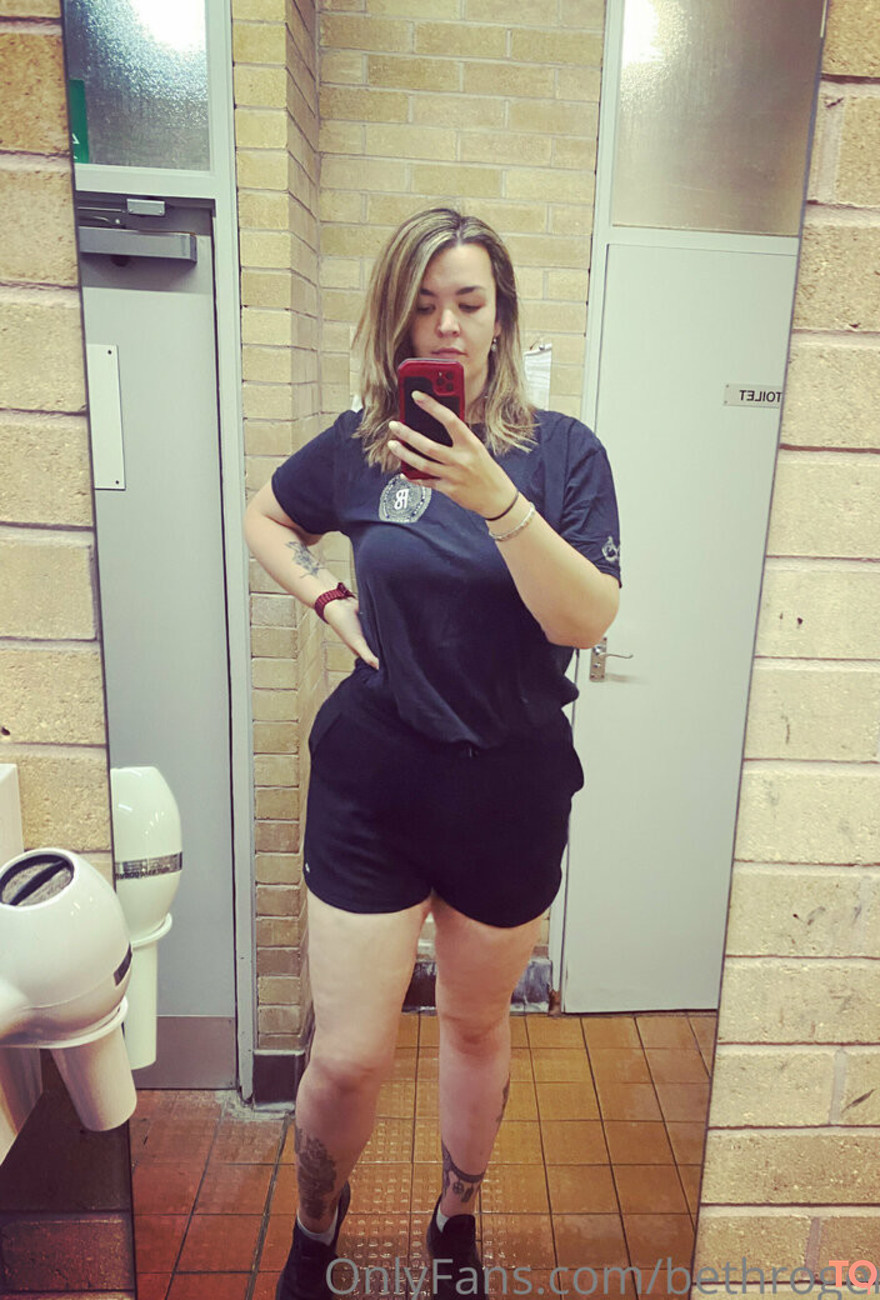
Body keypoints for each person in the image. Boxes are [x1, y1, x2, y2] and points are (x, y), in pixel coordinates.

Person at [245, 207, 621, 1300]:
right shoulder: (364, 444)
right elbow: (267, 517)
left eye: (468, 302)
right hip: (375, 774)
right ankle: (316, 1227)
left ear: (502, 317)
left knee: (472, 1024)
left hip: (510, 786)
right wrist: (328, 598)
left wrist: (497, 500)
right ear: (395, 319)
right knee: (348, 1054)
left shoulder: (564, 454)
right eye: (423, 305)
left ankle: (456, 1220)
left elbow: (586, 617)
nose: (447, 326)